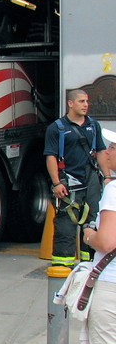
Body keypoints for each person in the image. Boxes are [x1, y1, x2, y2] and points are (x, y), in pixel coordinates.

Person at [76, 131, 116, 344]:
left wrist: (89, 234)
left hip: (112, 289)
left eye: (112, 149)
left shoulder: (113, 190)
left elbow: (107, 240)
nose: (106, 153)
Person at [46, 89, 110, 266]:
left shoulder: (93, 126)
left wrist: (106, 177)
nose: (86, 105)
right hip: (68, 185)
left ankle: (89, 265)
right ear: (70, 103)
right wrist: (56, 183)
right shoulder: (57, 128)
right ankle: (62, 268)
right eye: (82, 101)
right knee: (65, 228)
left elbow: (100, 152)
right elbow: (51, 156)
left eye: (87, 101)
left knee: (92, 224)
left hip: (91, 184)